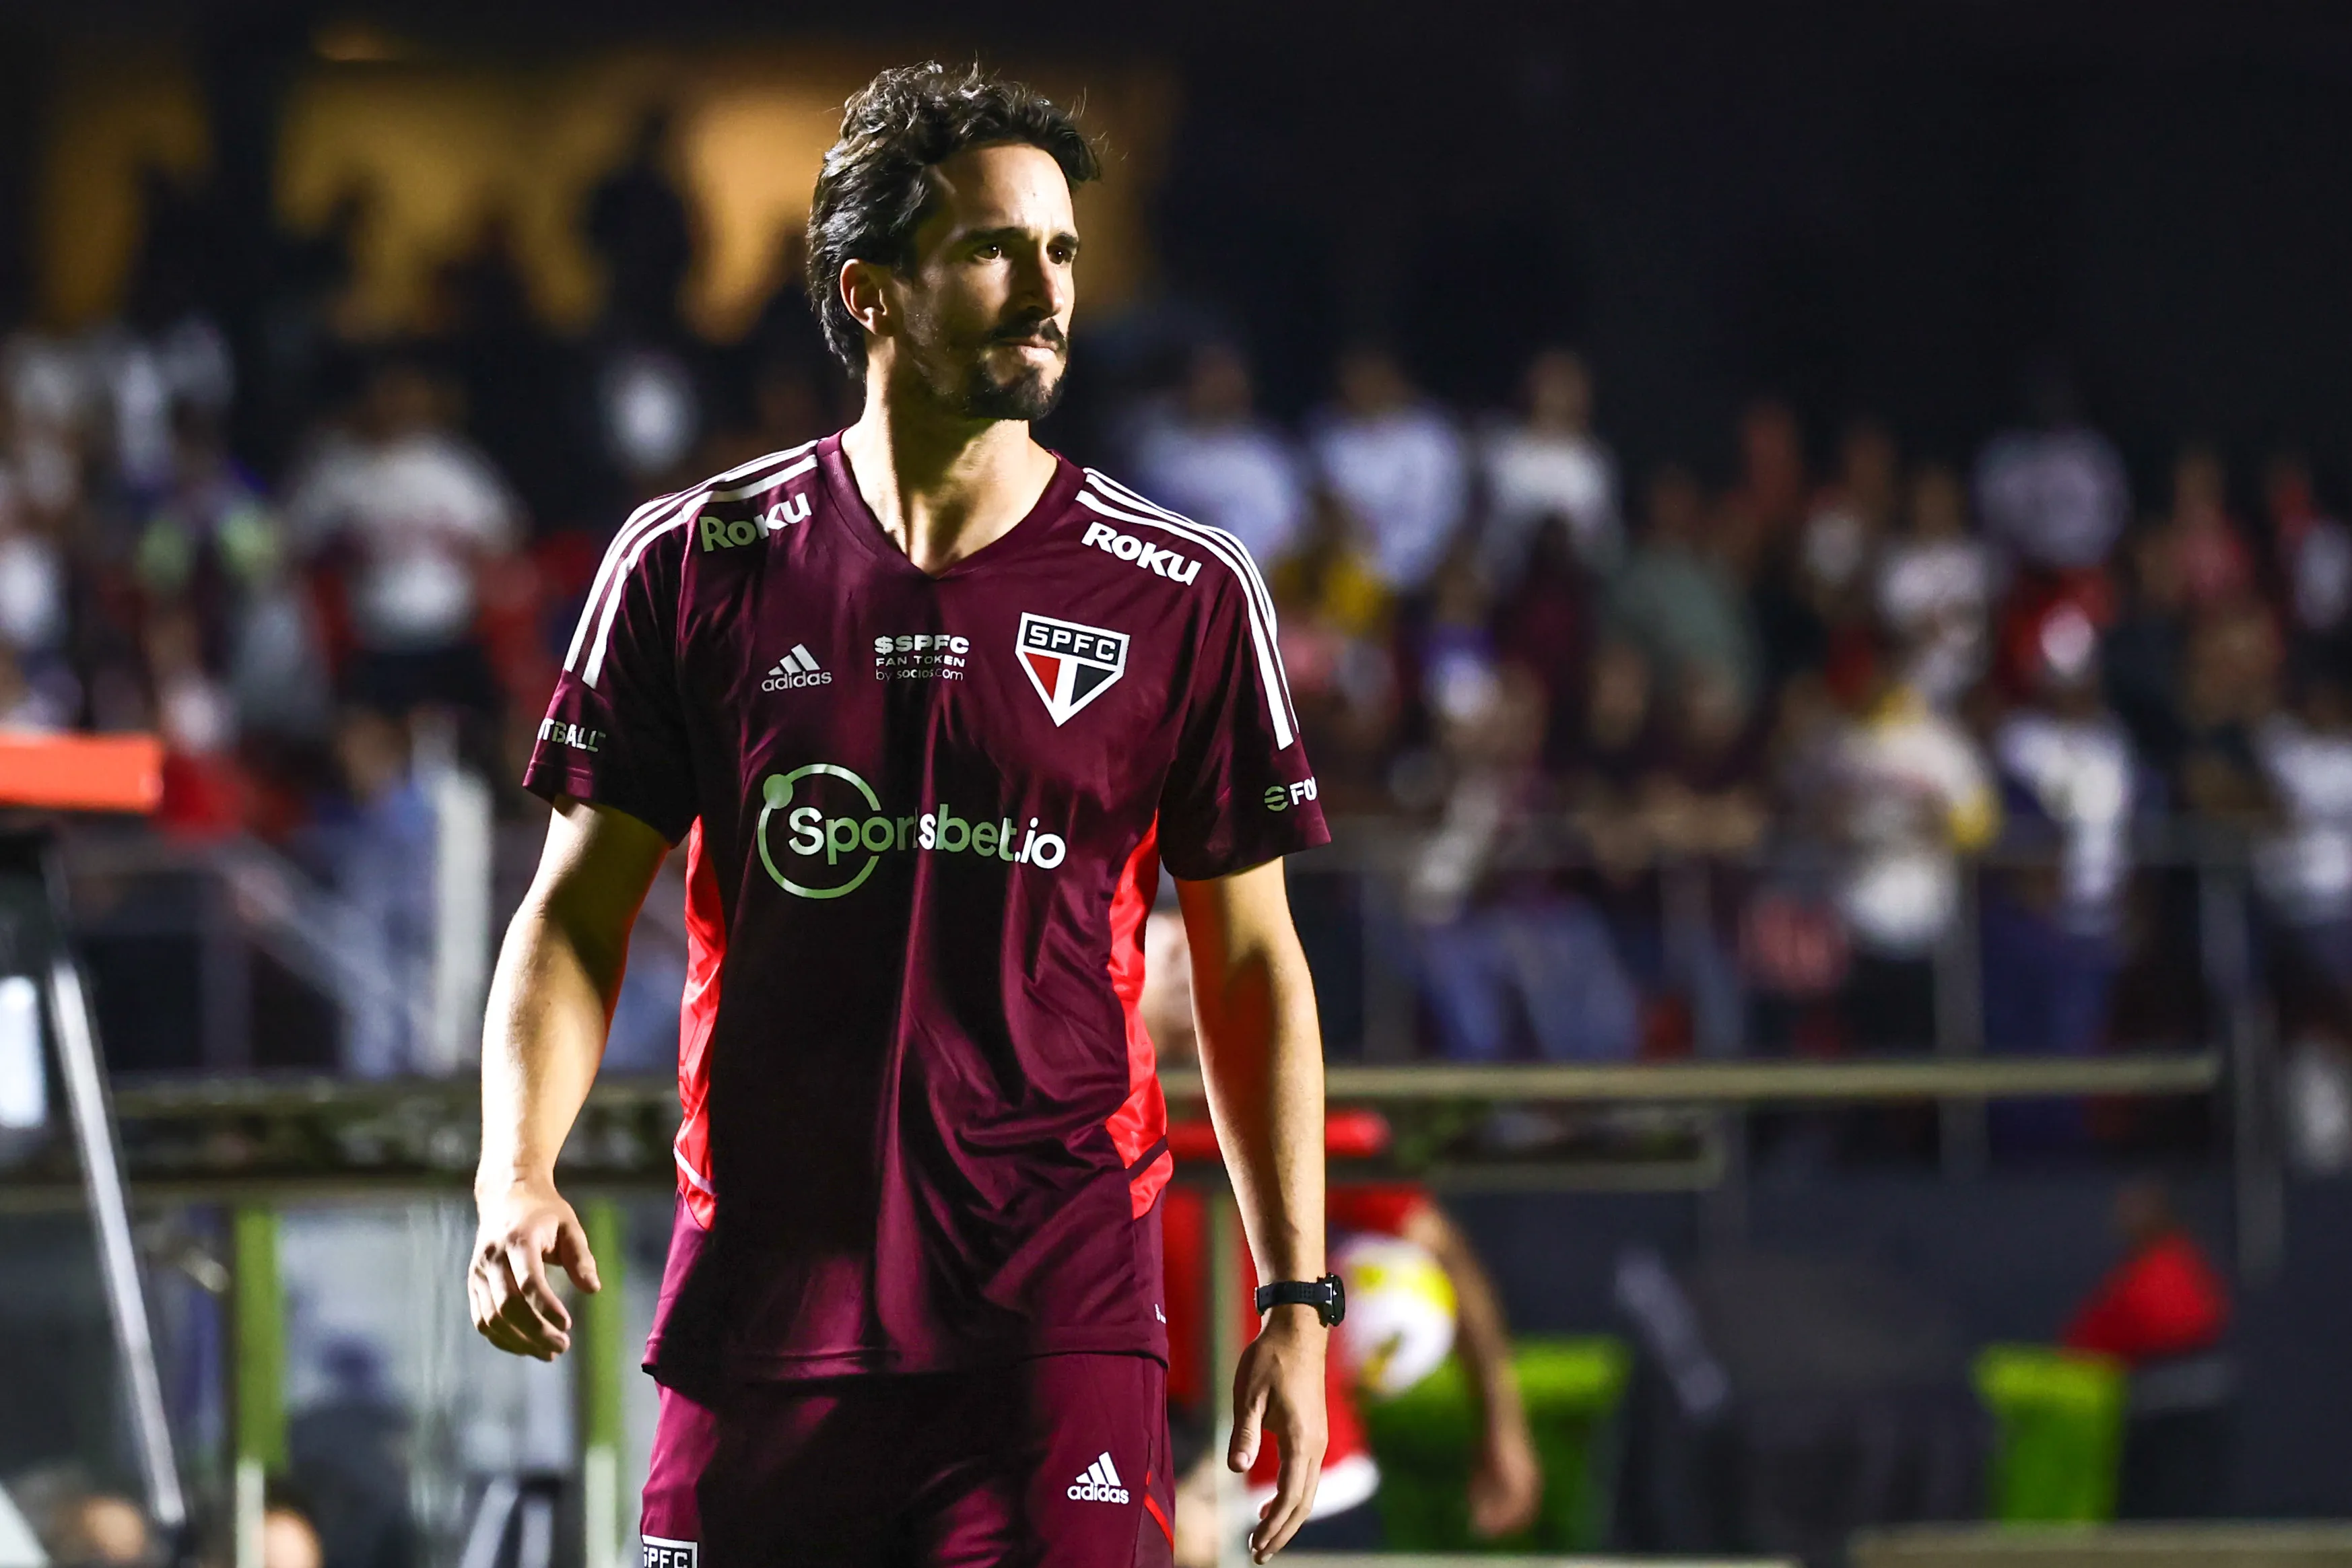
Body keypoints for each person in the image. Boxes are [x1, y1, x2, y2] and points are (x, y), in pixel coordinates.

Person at [469, 64, 1334, 1568]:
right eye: (995, 248)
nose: (1043, 289)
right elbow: (573, 911)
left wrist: (1294, 1300)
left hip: (1052, 1328)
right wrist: (512, 1176)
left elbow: (1253, 964)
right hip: (762, 1314)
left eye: (1061, 252)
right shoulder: (693, 561)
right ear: (870, 291)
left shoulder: (1186, 592)